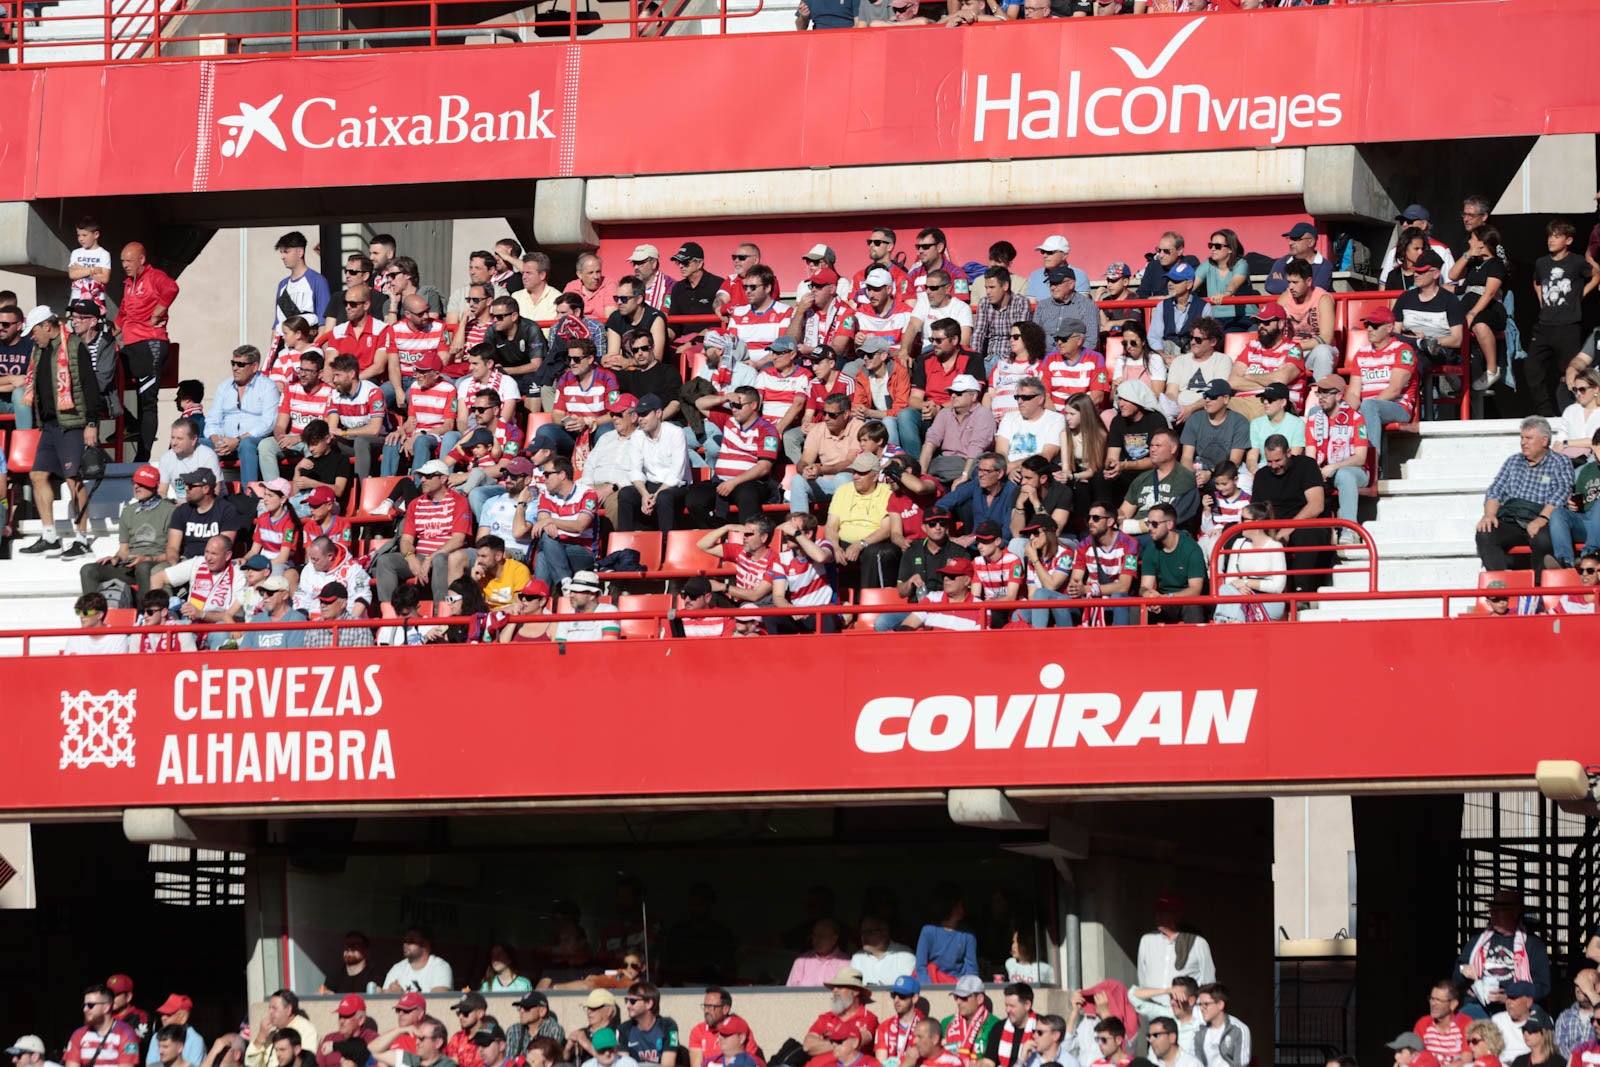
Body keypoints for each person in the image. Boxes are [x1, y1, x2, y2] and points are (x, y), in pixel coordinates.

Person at [16, 306, 106, 558]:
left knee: (72, 479)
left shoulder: (74, 346)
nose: (31, 338)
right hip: (49, 425)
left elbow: (89, 385)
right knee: (37, 475)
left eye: (33, 332)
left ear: (47, 325)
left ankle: (81, 537)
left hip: (72, 424)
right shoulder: (39, 350)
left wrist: (91, 423)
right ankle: (49, 536)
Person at [1475, 418, 1574, 580]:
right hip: (1513, 519)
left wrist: (1542, 518)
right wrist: (1489, 515)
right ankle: (1501, 588)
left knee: (1544, 538)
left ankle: (1537, 591)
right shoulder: (1513, 461)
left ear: (1544, 441)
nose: (1523, 443)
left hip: (1542, 518)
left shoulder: (1559, 461)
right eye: (1522, 438)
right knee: (1485, 532)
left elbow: (1561, 492)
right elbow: (1496, 489)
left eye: (1529, 438)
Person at [1525, 220, 1598, 418]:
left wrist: (1579, 295)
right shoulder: (1542, 262)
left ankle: (1573, 413)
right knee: (1532, 368)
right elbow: (1537, 281)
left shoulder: (1575, 262)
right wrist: (1542, 299)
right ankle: (1546, 414)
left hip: (1568, 326)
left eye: (1557, 236)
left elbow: (1596, 275)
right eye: (1550, 236)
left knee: (1570, 373)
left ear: (1568, 240)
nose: (1551, 240)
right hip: (1544, 325)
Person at [115, 243, 180, 461]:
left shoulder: (155, 276)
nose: (125, 265)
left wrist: (157, 312)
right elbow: (123, 314)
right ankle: (130, 423)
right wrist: (105, 334)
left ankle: (142, 456)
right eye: (122, 261)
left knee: (147, 401)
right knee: (103, 379)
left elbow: (172, 288)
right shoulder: (128, 284)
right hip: (130, 346)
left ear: (142, 259)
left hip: (150, 344)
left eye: (129, 261)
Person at [79, 464, 173, 600]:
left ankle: (146, 615)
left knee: (143, 567)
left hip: (155, 563)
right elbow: (124, 550)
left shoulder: (170, 511)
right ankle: (92, 615)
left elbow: (174, 553)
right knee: (88, 570)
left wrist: (148, 559)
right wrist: (116, 558)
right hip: (130, 565)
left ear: (155, 486)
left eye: (142, 484)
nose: (136, 487)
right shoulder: (128, 511)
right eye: (135, 482)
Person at [1305, 374, 1371, 544]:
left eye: (1326, 393)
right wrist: (1314, 472)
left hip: (1355, 471)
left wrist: (1334, 467)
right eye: (1319, 392)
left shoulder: (1356, 419)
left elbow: (1360, 458)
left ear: (1339, 395)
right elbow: (1310, 456)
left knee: (1344, 475)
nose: (1321, 397)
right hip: (1324, 471)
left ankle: (1350, 530)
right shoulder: (1313, 420)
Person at [827, 453, 901, 588]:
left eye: (861, 473)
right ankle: (828, 602)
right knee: (822, 551)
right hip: (842, 543)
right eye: (854, 472)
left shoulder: (887, 492)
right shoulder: (843, 490)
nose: (855, 476)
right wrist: (835, 547)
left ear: (875, 476)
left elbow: (886, 530)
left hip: (872, 543)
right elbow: (831, 526)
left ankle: (868, 603)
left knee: (877, 553)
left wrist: (860, 544)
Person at [1138, 504, 1206, 623]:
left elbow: (1195, 590)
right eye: (1147, 523)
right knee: (1139, 608)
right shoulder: (1150, 549)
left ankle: (1197, 641)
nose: (1149, 528)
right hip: (1163, 602)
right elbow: (1144, 586)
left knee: (1192, 606)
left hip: (1185, 601)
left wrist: (1165, 598)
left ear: (1169, 524)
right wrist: (1149, 595)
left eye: (1154, 524)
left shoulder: (1191, 549)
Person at [67, 986, 143, 1067]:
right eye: (84, 1005)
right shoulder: (78, 1034)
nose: (85, 1009)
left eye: (90, 1005)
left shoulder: (127, 1033)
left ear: (106, 1007)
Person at [915, 892, 978, 982]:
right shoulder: (928, 930)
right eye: (957, 907)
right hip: (933, 982)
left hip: (958, 985)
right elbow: (920, 967)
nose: (961, 910)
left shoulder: (967, 934)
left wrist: (968, 989)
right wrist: (929, 990)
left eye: (962, 906)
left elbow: (971, 969)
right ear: (947, 907)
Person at [245, 993, 318, 1067]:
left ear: (289, 1010)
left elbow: (307, 1062)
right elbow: (250, 1064)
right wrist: (260, 1038)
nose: (270, 1012)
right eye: (269, 1008)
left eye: (274, 1008)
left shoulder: (306, 1030)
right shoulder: (269, 1031)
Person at [1264, 222, 1332, 297]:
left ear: (1311, 242)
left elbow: (1316, 291)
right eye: (1290, 239)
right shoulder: (1282, 262)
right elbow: (1270, 286)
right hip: (1286, 308)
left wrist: (1282, 283)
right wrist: (1303, 285)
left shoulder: (1324, 265)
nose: (1290, 243)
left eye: (1296, 239)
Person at [1415, 980, 1473, 1065]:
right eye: (1431, 998)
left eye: (1438, 1000)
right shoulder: (1423, 1023)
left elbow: (1466, 1061)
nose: (1433, 1003)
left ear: (1453, 1004)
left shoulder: (1466, 1023)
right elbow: (1415, 1057)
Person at [553, 570, 621, 641]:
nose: (571, 595)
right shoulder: (566, 617)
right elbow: (560, 649)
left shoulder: (609, 611)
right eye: (571, 591)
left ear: (592, 595)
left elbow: (609, 646)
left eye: (577, 591)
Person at [384, 929, 455, 993]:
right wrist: (381, 992)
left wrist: (401, 996)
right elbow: (382, 999)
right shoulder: (397, 968)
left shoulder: (440, 967)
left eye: (411, 940)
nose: (405, 944)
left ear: (425, 944)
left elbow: (437, 1002)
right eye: (405, 941)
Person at [1193, 985, 1248, 1067]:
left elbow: (1241, 1064)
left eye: (1206, 1004)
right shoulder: (1200, 1030)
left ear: (1220, 1005)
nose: (1201, 1008)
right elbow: (1198, 1062)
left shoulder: (1238, 1029)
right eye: (1200, 1004)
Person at [316, 998, 378, 1067]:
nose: (341, 1021)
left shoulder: (373, 1040)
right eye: (340, 1016)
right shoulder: (329, 1039)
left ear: (361, 1020)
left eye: (346, 1016)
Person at [789, 921, 852, 987]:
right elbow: (789, 992)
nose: (816, 939)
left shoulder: (846, 963)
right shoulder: (801, 961)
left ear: (834, 939)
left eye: (821, 936)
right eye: (814, 935)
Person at [508, 994, 565, 1060]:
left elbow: (546, 1060)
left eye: (527, 1008)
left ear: (542, 1011)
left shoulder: (554, 1029)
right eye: (520, 1007)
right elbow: (510, 1061)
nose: (521, 1011)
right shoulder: (514, 1030)